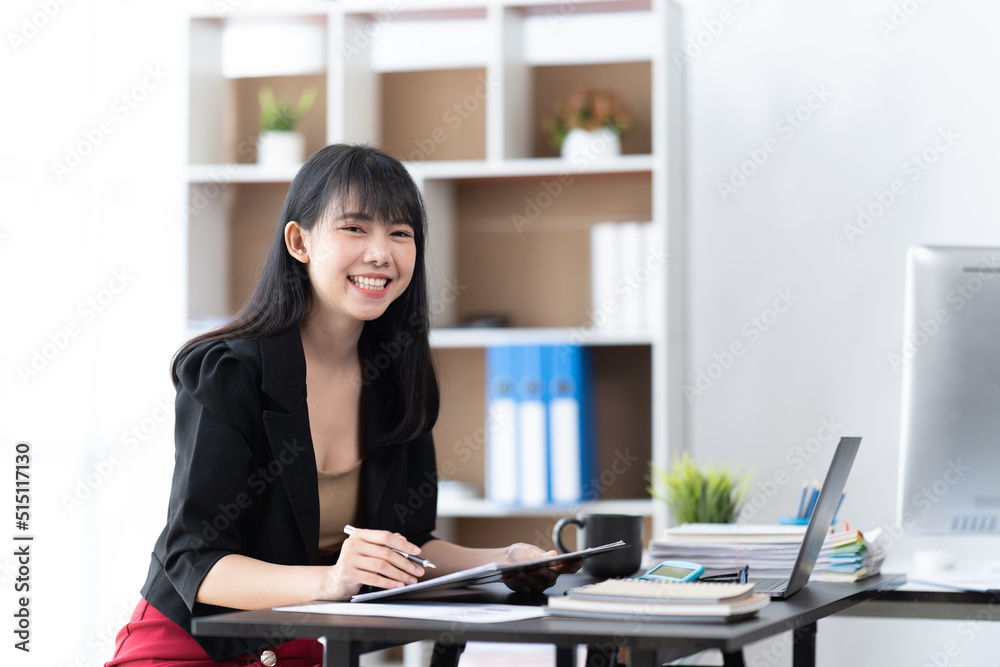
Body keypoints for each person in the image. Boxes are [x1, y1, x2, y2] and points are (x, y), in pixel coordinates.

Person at [106, 144, 579, 667]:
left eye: (400, 233)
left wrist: (504, 562)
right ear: (299, 242)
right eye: (355, 228)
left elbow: (411, 544)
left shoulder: (397, 378)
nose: (380, 254)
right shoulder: (228, 371)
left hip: (294, 651)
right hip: (187, 650)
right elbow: (193, 560)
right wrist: (332, 580)